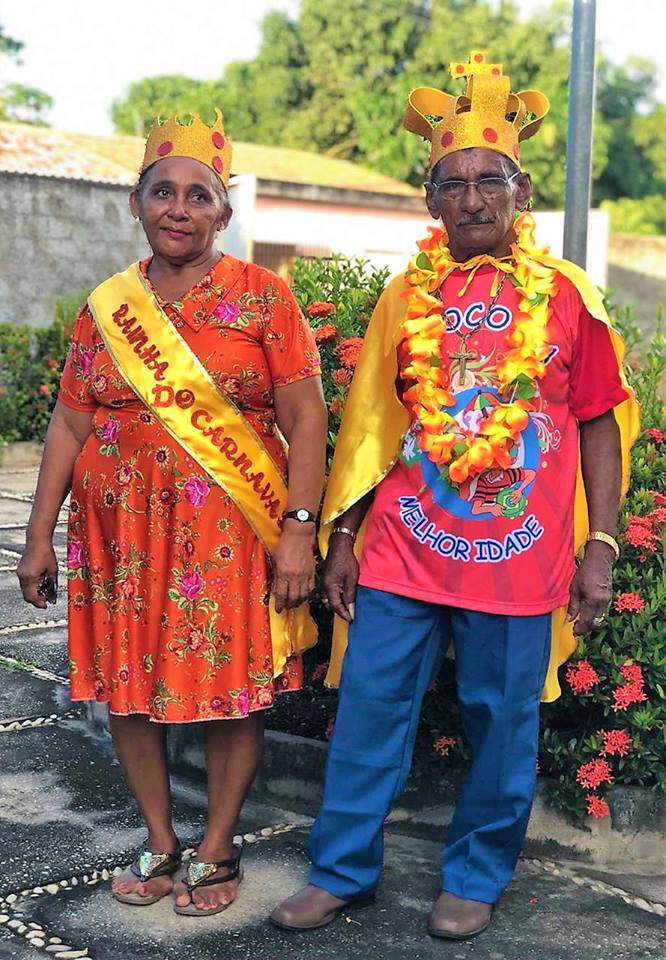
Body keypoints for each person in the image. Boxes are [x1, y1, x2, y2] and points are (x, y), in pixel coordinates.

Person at [271, 52, 638, 940]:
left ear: (520, 192)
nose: (472, 197)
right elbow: (366, 424)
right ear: (430, 202)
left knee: (502, 723)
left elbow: (596, 421)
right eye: (452, 181)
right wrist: (344, 537)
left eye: (490, 180)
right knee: (367, 709)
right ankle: (341, 868)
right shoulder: (406, 296)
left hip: (518, 554)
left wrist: (602, 546)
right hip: (404, 547)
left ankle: (475, 875)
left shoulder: (568, 298)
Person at [18, 109, 327, 917]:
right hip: (120, 538)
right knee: (128, 687)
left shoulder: (265, 300)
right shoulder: (106, 306)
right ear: (138, 202)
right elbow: (70, 422)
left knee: (232, 689)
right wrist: (38, 536)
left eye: (198, 195)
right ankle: (159, 838)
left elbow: (305, 420)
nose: (179, 209)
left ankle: (218, 847)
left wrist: (299, 530)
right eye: (163, 192)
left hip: (227, 539)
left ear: (224, 212)